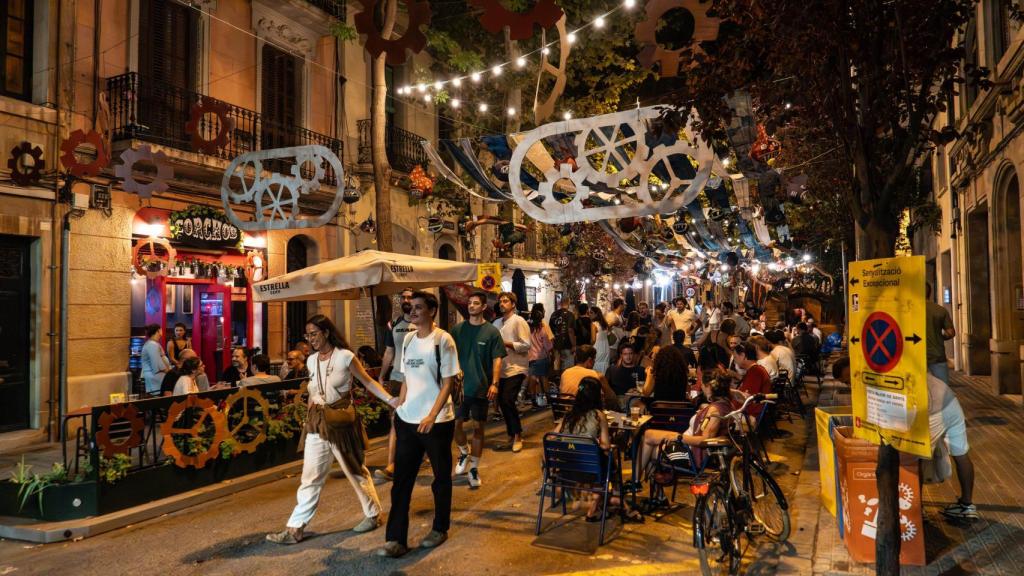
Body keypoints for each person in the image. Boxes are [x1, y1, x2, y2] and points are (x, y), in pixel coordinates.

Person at [268, 315, 398, 545]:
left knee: (355, 471)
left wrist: (391, 400)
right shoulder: (310, 360)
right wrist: (308, 423)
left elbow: (368, 382)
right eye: (307, 335)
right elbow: (313, 392)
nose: (310, 339)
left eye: (314, 334)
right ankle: (294, 529)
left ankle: (373, 513)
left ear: (326, 332)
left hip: (341, 424)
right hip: (318, 422)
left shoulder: (345, 357)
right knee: (310, 477)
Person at [378, 292, 460, 558]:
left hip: (436, 423)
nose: (412, 312)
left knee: (440, 478)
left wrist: (432, 415)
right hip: (408, 420)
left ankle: (439, 528)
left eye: (418, 308)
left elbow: (448, 383)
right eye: (409, 308)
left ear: (432, 311)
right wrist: (399, 407)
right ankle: (395, 539)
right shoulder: (409, 339)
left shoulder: (443, 340)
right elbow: (405, 378)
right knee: (401, 481)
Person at [554, 377, 643, 523]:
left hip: (566, 470)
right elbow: (606, 445)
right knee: (611, 457)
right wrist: (595, 443)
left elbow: (551, 437)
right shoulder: (598, 415)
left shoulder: (568, 415)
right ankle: (608, 503)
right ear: (596, 395)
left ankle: (612, 502)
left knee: (606, 458)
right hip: (590, 471)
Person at [451, 292, 506, 488]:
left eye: (475, 303)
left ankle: (474, 468)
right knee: (455, 425)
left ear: (483, 307)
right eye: (469, 303)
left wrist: (495, 383)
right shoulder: (457, 330)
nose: (471, 306)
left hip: (481, 387)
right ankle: (464, 451)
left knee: (478, 428)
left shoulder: (491, 332)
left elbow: (497, 358)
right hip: (459, 388)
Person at [638, 373, 733, 476]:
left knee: (649, 441)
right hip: (688, 446)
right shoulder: (725, 405)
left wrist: (678, 437)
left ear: (709, 387)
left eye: (702, 385)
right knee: (648, 438)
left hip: (690, 454)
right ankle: (637, 482)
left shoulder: (715, 411)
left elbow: (705, 440)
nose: (701, 387)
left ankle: (635, 482)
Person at [374, 288, 416, 482]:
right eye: (403, 297)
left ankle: (414, 456)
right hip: (398, 379)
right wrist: (382, 376)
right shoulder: (395, 324)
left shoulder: (422, 323)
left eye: (410, 297)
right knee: (395, 422)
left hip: (417, 380)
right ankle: (392, 464)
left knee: (414, 422)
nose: (406, 300)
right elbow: (389, 352)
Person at [493, 292, 531, 453]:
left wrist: (506, 344)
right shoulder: (496, 323)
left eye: (505, 301)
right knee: (502, 402)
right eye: (500, 301)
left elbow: (526, 345)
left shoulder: (519, 321)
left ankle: (517, 436)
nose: (502, 304)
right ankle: (511, 435)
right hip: (500, 369)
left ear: (513, 304)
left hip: (517, 367)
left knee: (508, 400)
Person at [559, 345, 620, 410]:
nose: (594, 363)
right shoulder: (596, 375)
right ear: (589, 360)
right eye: (594, 360)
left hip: (565, 410)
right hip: (586, 412)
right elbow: (611, 397)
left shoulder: (565, 373)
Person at [925, 283, 956, 383]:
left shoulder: (909, 311)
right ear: (930, 293)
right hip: (937, 356)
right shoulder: (940, 310)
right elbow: (951, 333)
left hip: (916, 358)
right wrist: (939, 337)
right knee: (942, 390)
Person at [731, 342, 771, 417]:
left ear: (743, 355)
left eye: (735, 357)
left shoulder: (755, 372)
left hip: (749, 415)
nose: (734, 361)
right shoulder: (755, 370)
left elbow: (747, 400)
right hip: (748, 413)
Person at [527, 304, 555, 406]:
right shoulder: (542, 329)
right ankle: (548, 398)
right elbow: (549, 346)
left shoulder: (527, 329)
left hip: (530, 357)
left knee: (533, 378)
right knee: (544, 378)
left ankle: (533, 399)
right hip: (542, 357)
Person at [141, 324, 171, 395]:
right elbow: (157, 364)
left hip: (157, 376)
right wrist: (169, 372)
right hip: (155, 376)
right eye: (161, 330)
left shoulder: (153, 343)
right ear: (158, 331)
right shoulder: (152, 345)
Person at [548, 297, 577, 372]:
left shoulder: (553, 314)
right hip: (567, 345)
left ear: (560, 303)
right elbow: (570, 330)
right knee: (567, 368)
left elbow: (550, 330)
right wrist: (574, 345)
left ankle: (557, 380)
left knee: (557, 365)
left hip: (556, 344)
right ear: (568, 303)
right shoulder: (570, 315)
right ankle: (564, 380)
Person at [590, 307, 612, 374]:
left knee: (596, 366)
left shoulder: (594, 324)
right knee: (605, 365)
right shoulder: (605, 324)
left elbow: (593, 340)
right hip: (606, 347)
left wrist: (589, 345)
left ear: (596, 314)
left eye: (591, 312)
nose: (589, 314)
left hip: (597, 347)